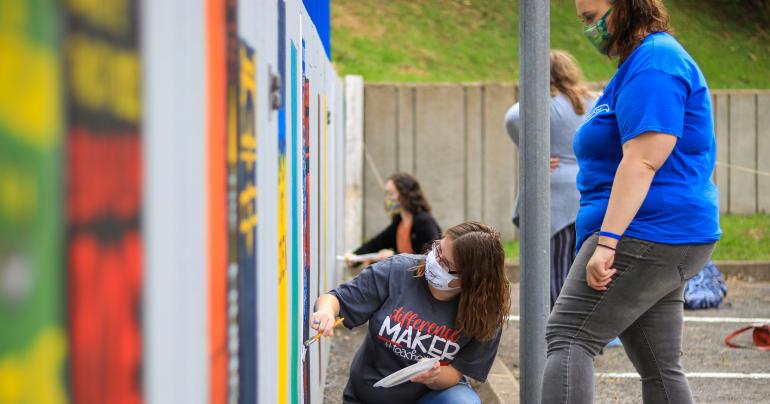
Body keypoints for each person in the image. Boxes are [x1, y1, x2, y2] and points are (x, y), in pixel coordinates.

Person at [542, 1, 721, 403]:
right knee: (659, 366)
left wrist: (607, 243)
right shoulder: (641, 62)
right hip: (658, 233)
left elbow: (642, 162)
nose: (588, 29)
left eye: (591, 17)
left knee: (569, 335)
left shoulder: (656, 63)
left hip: (644, 231)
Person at [313, 222, 510, 404]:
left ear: (471, 278)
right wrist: (326, 312)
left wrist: (434, 376)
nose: (434, 260)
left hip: (427, 397)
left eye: (446, 264)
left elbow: (457, 372)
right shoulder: (397, 270)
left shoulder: (487, 312)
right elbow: (335, 298)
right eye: (437, 249)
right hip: (368, 395)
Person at [505, 49, 597, 308]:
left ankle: (560, 331)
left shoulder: (542, 103)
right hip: (588, 189)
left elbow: (512, 117)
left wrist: (534, 152)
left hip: (554, 193)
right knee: (583, 265)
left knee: (556, 269)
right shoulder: (591, 101)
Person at [348, 173, 441, 264]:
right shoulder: (399, 223)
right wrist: (354, 257)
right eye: (386, 194)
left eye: (391, 193)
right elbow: (376, 244)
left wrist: (394, 255)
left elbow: (431, 256)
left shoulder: (423, 221)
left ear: (406, 194)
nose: (387, 198)